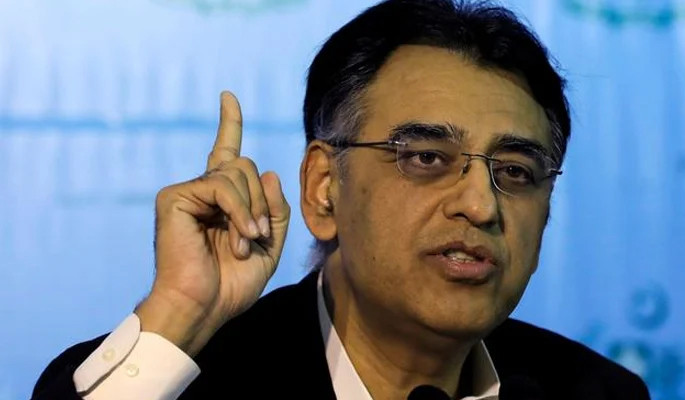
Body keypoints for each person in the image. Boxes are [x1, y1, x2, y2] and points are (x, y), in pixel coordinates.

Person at [32, 0, 651, 399]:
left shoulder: (597, 391)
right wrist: (179, 314)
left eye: (515, 171)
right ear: (324, 189)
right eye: (427, 158)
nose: (480, 206)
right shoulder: (188, 382)